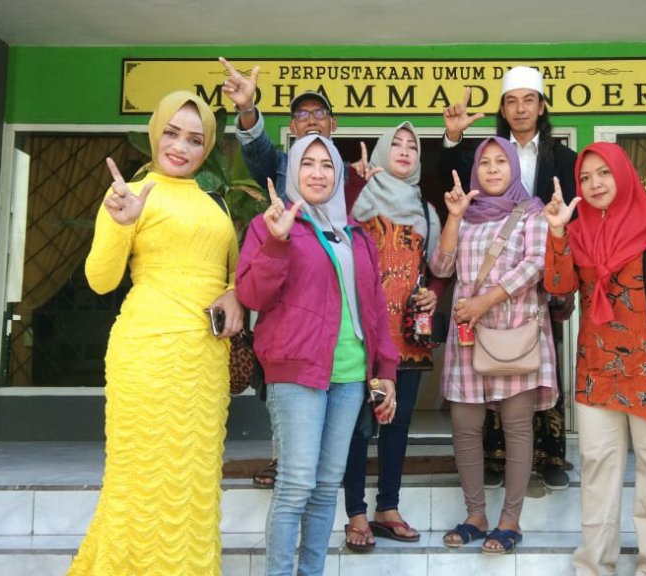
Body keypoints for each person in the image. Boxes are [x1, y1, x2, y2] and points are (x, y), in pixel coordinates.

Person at [70, 91, 243, 576]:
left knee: (193, 479)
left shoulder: (215, 203)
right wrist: (119, 223)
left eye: (195, 139)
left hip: (203, 360)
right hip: (147, 352)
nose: (181, 147)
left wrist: (235, 293)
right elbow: (100, 280)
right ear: (154, 133)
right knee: (139, 477)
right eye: (171, 133)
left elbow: (232, 271)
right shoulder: (128, 195)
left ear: (207, 147)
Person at [235, 134, 399, 576]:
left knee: (326, 487)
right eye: (307, 163)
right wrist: (276, 243)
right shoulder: (269, 225)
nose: (317, 173)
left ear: (338, 176)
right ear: (292, 171)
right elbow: (251, 296)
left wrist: (386, 371)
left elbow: (375, 309)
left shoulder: (356, 235)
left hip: (349, 375)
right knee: (295, 485)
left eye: (327, 165)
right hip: (297, 372)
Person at [219, 57, 379, 488]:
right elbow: (257, 150)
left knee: (326, 470)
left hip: (343, 328)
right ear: (291, 128)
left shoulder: (347, 175)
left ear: (333, 124)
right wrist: (248, 110)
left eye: (319, 113)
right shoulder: (281, 166)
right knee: (296, 460)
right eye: (301, 115)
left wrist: (358, 182)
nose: (310, 120)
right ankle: (284, 458)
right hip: (290, 305)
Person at [542, 142, 646, 576]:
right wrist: (558, 233)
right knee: (597, 466)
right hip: (596, 367)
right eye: (585, 177)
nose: (595, 183)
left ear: (622, 174)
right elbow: (559, 287)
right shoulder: (578, 229)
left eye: (604, 173)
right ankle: (595, 565)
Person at [439, 65, 577, 490]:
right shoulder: (481, 154)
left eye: (528, 100)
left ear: (541, 107)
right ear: (502, 109)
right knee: (485, 372)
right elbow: (450, 189)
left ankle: (550, 457)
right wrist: (453, 137)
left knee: (534, 362)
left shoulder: (565, 159)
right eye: (512, 102)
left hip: (541, 283)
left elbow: (574, 219)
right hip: (485, 293)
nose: (520, 109)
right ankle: (494, 460)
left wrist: (567, 274)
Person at [430, 137, 557, 554]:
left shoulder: (531, 212)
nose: (493, 169)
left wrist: (485, 301)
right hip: (468, 336)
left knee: (517, 427)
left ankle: (510, 521)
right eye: (485, 163)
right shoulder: (466, 217)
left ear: (514, 168)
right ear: (475, 172)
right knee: (465, 426)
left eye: (502, 161)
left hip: (513, 332)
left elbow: (536, 265)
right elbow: (441, 267)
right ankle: (476, 516)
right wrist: (453, 218)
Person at [341, 121, 444, 551]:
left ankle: (388, 508)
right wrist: (353, 184)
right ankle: (355, 512)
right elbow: (336, 241)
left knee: (397, 424)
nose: (404, 150)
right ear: (383, 151)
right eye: (396, 144)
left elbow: (439, 267)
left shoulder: (425, 208)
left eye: (412, 146)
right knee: (358, 425)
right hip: (363, 331)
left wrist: (434, 293)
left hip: (407, 334)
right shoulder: (358, 195)